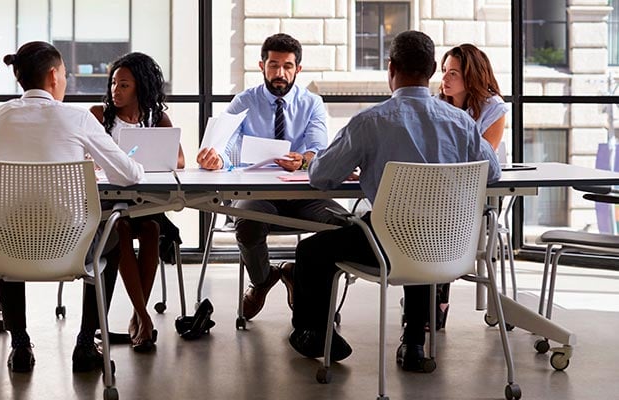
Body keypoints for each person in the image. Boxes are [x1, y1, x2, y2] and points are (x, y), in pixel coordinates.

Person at [288, 31, 501, 371]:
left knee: (311, 251)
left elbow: (321, 178)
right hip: (448, 243)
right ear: (432, 69)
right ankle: (414, 344)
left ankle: (314, 333)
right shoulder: (461, 122)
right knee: (420, 229)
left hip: (388, 243)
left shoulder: (370, 122)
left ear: (391, 69)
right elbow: (492, 173)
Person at [0, 41, 144, 373]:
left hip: (8, 247)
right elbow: (129, 175)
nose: (65, 80)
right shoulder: (77, 118)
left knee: (5, 231)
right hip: (71, 247)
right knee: (111, 239)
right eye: (65, 74)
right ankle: (85, 343)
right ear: (53, 75)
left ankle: (20, 344)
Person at [195, 33, 345, 321]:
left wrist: (303, 161)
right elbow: (225, 146)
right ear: (261, 65)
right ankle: (263, 281)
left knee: (343, 226)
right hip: (258, 196)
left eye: (287, 66)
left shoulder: (311, 103)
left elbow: (318, 149)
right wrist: (216, 159)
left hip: (305, 195)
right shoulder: (244, 101)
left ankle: (300, 278)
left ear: (297, 69)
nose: (280, 73)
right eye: (273, 65)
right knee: (248, 223)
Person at [89, 52, 184, 353]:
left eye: (124, 85)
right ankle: (144, 318)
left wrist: (142, 159)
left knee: (153, 230)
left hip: (144, 200)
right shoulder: (98, 115)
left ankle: (136, 316)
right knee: (124, 231)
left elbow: (179, 160)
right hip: (106, 204)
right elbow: (85, 157)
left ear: (141, 87)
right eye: (114, 83)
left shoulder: (157, 119)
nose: (116, 90)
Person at [436, 43, 510, 327]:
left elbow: (483, 162)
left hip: (473, 197)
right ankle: (431, 298)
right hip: (437, 192)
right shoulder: (436, 104)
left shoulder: (494, 108)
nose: (445, 79)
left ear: (472, 76)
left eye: (453, 73)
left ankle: (432, 298)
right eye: (444, 71)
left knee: (440, 223)